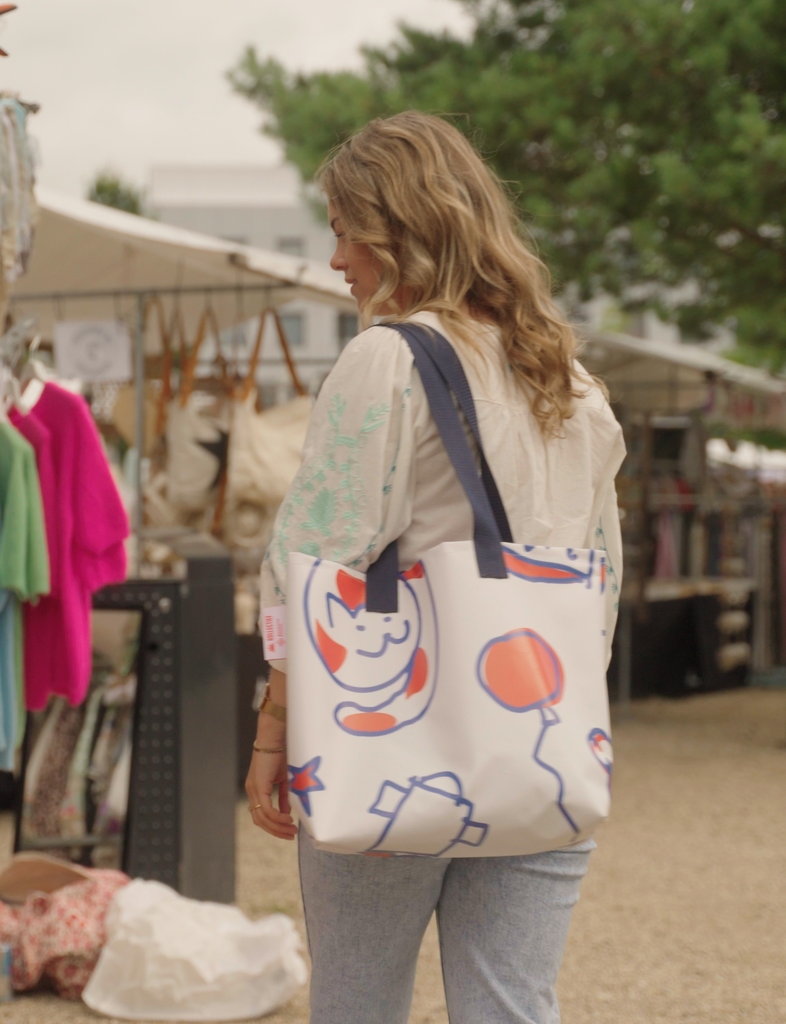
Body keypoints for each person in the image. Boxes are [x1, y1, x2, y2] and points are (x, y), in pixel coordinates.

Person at [244, 111, 624, 1024]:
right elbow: (598, 580)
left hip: (396, 742)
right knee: (512, 1006)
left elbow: (313, 564)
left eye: (343, 231)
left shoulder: (390, 359)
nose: (337, 260)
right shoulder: (569, 380)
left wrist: (272, 731)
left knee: (359, 1002)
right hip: (542, 736)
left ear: (396, 228)